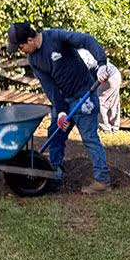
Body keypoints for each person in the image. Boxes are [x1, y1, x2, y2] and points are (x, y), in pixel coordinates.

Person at [7, 22, 112, 193]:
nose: (21, 51)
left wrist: (101, 64)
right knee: (55, 134)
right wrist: (61, 110)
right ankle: (55, 173)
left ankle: (102, 181)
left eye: (21, 47)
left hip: (84, 94)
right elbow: (49, 86)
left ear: (30, 40)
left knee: (89, 138)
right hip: (64, 99)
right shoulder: (33, 59)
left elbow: (86, 40)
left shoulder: (56, 37)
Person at [77, 47, 122, 133]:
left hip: (107, 77)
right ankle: (114, 128)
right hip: (115, 74)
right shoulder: (83, 51)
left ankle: (105, 128)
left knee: (100, 102)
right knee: (113, 102)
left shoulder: (80, 56)